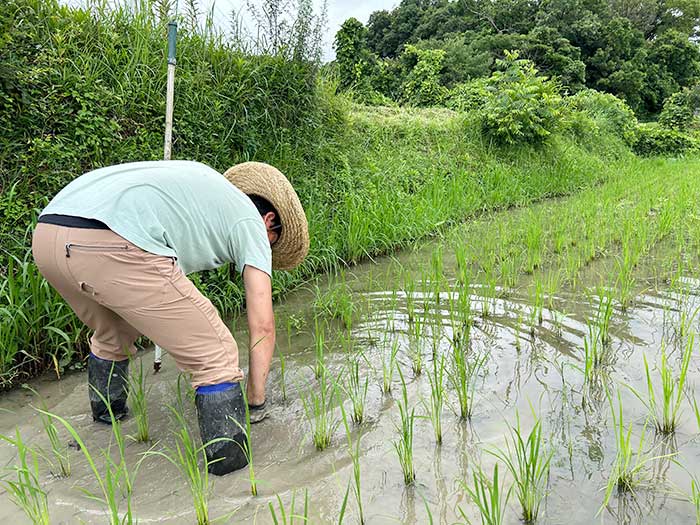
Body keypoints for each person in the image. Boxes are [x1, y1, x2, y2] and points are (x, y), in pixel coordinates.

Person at [31, 160, 309, 475]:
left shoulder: (204, 187)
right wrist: (256, 402)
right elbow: (262, 325)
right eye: (272, 244)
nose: (266, 251)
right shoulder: (251, 222)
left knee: (114, 333)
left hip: (49, 235)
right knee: (216, 353)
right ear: (269, 220)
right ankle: (231, 478)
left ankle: (105, 425)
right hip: (112, 239)